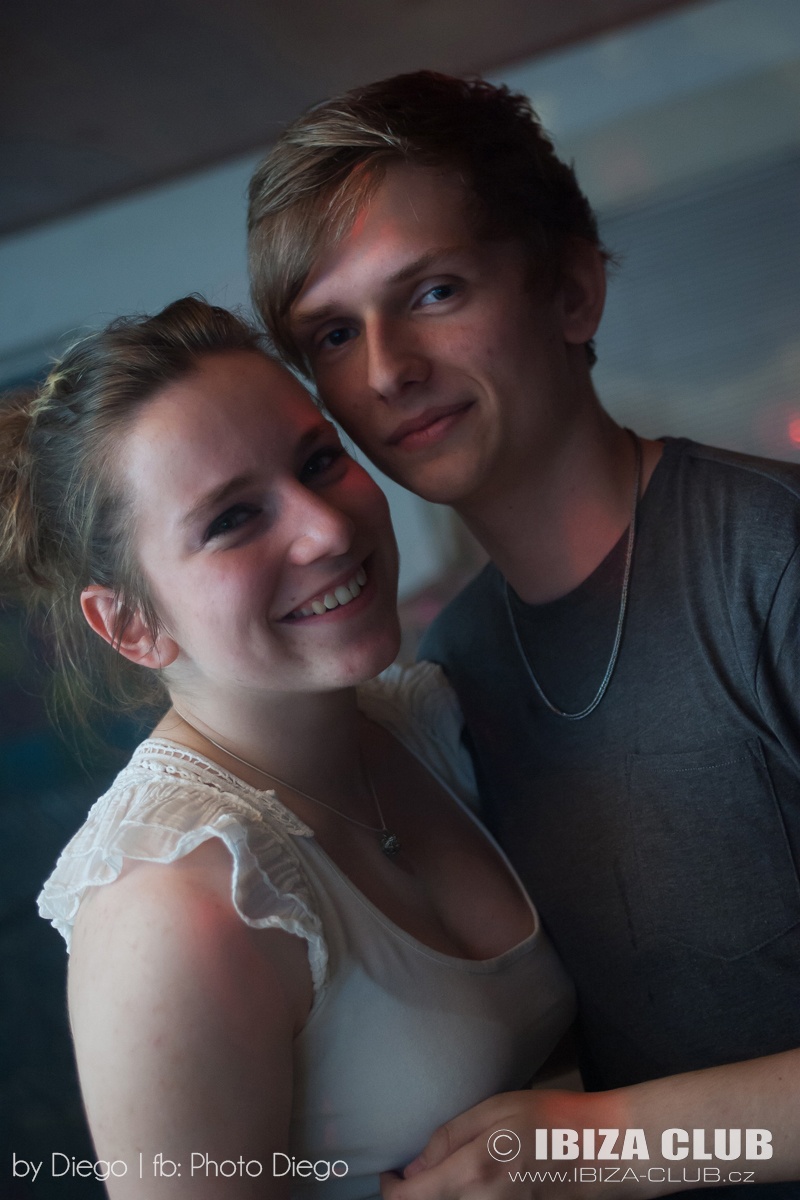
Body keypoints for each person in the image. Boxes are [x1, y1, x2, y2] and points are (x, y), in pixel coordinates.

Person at [246, 72, 800, 1196]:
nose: (388, 369)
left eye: (433, 291)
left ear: (572, 292)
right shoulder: (452, 669)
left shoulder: (773, 562)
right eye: (334, 334)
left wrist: (596, 1144)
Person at [1, 297, 575, 1199]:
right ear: (131, 625)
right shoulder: (172, 908)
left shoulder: (427, 724)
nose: (329, 529)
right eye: (233, 519)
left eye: (320, 462)